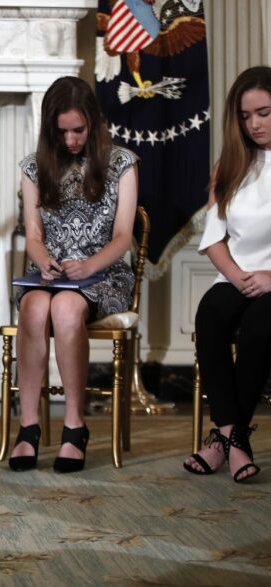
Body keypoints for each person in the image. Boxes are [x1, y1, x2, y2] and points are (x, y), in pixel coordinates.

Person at [9, 76, 138, 473]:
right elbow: (32, 234)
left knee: (66, 310)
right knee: (33, 309)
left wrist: (90, 265)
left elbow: (123, 238)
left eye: (78, 130)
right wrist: (43, 258)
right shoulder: (34, 167)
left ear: (94, 122)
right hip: (52, 274)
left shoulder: (122, 163)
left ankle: (74, 426)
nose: (70, 141)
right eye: (61, 132)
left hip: (105, 274)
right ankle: (28, 426)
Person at [183, 66, 271, 483]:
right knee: (209, 315)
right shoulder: (231, 165)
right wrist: (237, 277)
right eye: (245, 115)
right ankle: (234, 438)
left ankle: (221, 441)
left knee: (259, 328)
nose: (254, 124)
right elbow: (214, 238)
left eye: (264, 112)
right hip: (236, 276)